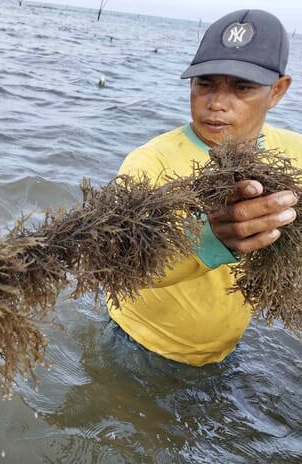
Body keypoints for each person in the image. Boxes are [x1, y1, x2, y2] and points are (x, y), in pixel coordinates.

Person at [107, 9, 302, 366]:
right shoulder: (150, 162)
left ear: (277, 91)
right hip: (142, 343)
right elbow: (121, 266)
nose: (216, 103)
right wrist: (208, 240)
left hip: (227, 349)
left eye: (242, 87)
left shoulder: (294, 155)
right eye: (205, 83)